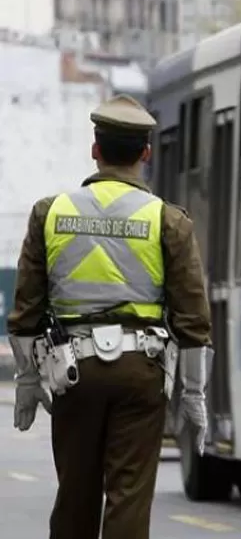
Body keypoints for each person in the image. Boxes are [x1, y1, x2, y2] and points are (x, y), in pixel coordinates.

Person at [6, 94, 213, 539]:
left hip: (73, 372)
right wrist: (193, 393)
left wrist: (26, 379)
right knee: (129, 497)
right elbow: (193, 318)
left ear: (94, 149)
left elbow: (25, 310)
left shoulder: (50, 213)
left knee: (75, 494)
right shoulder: (168, 221)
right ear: (146, 153)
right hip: (141, 374)